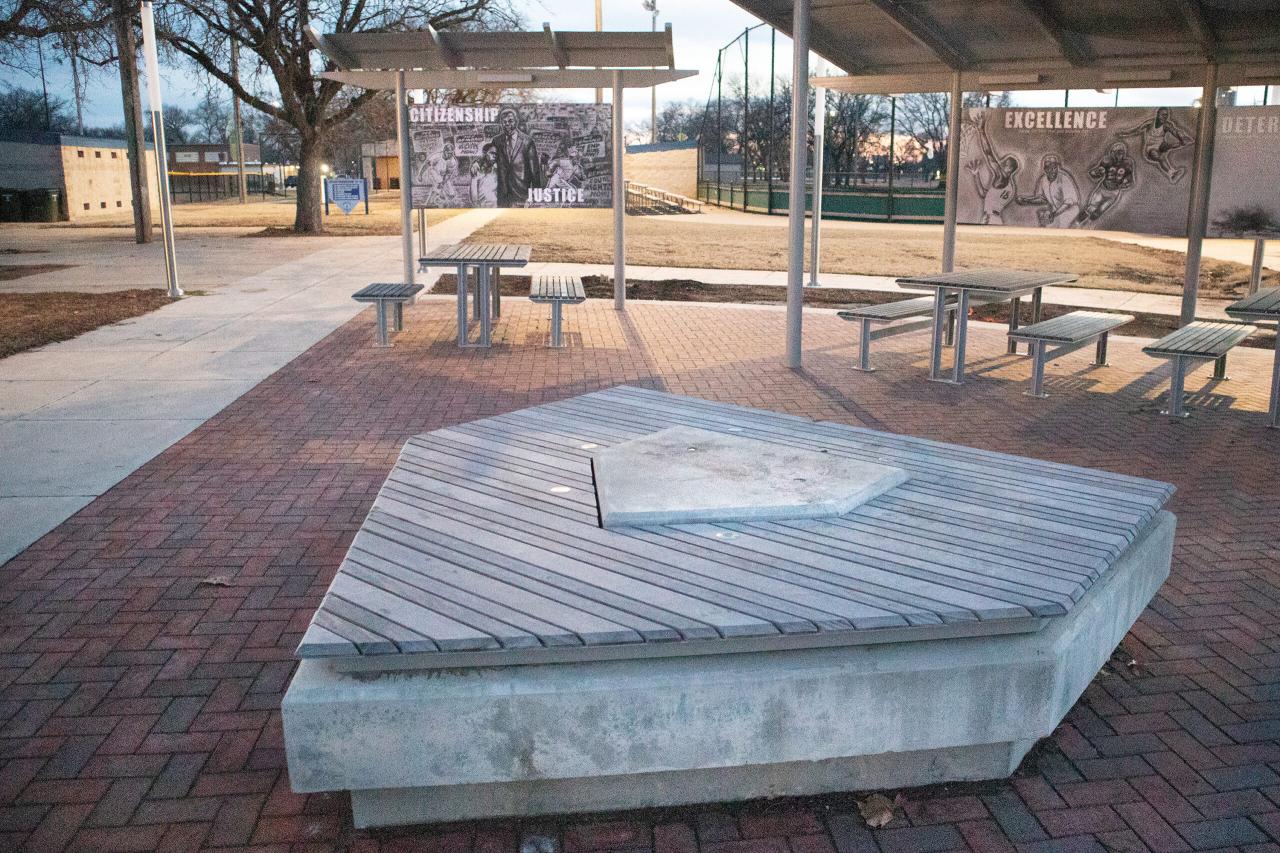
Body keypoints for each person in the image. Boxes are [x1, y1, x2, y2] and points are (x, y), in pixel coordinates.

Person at [965, 114, 1020, 225]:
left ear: (1010, 169)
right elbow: (983, 193)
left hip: (991, 218)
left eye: (1006, 163)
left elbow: (988, 153)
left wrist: (981, 131)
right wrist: (976, 175)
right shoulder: (1004, 183)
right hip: (992, 218)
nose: (1002, 163)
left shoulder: (1002, 177)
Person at [1116, 107, 1194, 183]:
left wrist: (1181, 137)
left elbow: (1175, 131)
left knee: (1177, 142)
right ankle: (1171, 173)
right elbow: (1136, 130)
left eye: (1166, 115)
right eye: (1163, 115)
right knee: (1159, 156)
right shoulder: (1149, 123)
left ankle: (1186, 142)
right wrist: (1123, 133)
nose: (1165, 117)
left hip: (1161, 146)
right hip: (1150, 149)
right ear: (1158, 114)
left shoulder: (1167, 125)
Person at [490, 108, 543, 206]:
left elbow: (534, 172)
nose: (507, 124)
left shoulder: (527, 142)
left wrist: (536, 197)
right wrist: (477, 163)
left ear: (517, 121)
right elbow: (489, 158)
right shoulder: (496, 141)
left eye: (510, 121)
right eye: (504, 122)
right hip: (503, 196)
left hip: (522, 195)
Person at [1075, 140, 1136, 226]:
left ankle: (1087, 226)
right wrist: (1097, 172)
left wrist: (1124, 184)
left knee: (1100, 211)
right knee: (1091, 208)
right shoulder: (1107, 160)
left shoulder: (1128, 163)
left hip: (1114, 193)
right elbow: (1094, 174)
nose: (1119, 155)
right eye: (1117, 153)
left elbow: (1131, 181)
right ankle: (1077, 223)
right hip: (1102, 189)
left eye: (1121, 153)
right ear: (1112, 153)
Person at [1017, 154, 1080, 228]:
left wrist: (1054, 214)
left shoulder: (1064, 178)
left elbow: (1069, 202)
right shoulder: (1043, 180)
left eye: (1054, 167)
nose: (1052, 170)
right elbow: (1042, 199)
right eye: (1049, 168)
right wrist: (1026, 200)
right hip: (1055, 213)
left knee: (1061, 232)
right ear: (1045, 169)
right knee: (1047, 230)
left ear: (1057, 167)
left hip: (1070, 212)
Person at [469, 143, 498, 207]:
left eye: (496, 154)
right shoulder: (477, 169)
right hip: (483, 205)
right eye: (492, 153)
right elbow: (473, 190)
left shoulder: (497, 168)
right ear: (484, 153)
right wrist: (476, 204)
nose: (494, 156)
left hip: (496, 205)